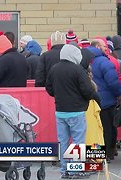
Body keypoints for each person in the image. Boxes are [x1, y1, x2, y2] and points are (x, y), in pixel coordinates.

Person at [46, 44, 96, 179]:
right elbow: (87, 90)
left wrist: (59, 95)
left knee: (63, 142)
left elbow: (49, 88)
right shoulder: (78, 70)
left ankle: (64, 170)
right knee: (78, 142)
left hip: (60, 111)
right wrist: (92, 97)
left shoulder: (54, 69)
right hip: (76, 111)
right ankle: (75, 170)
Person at [88, 39, 121, 163]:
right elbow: (113, 82)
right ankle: (107, 154)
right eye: (104, 46)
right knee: (108, 129)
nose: (106, 48)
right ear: (97, 46)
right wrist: (119, 94)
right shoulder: (104, 62)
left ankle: (96, 156)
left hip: (90, 101)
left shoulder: (83, 59)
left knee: (94, 130)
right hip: (106, 101)